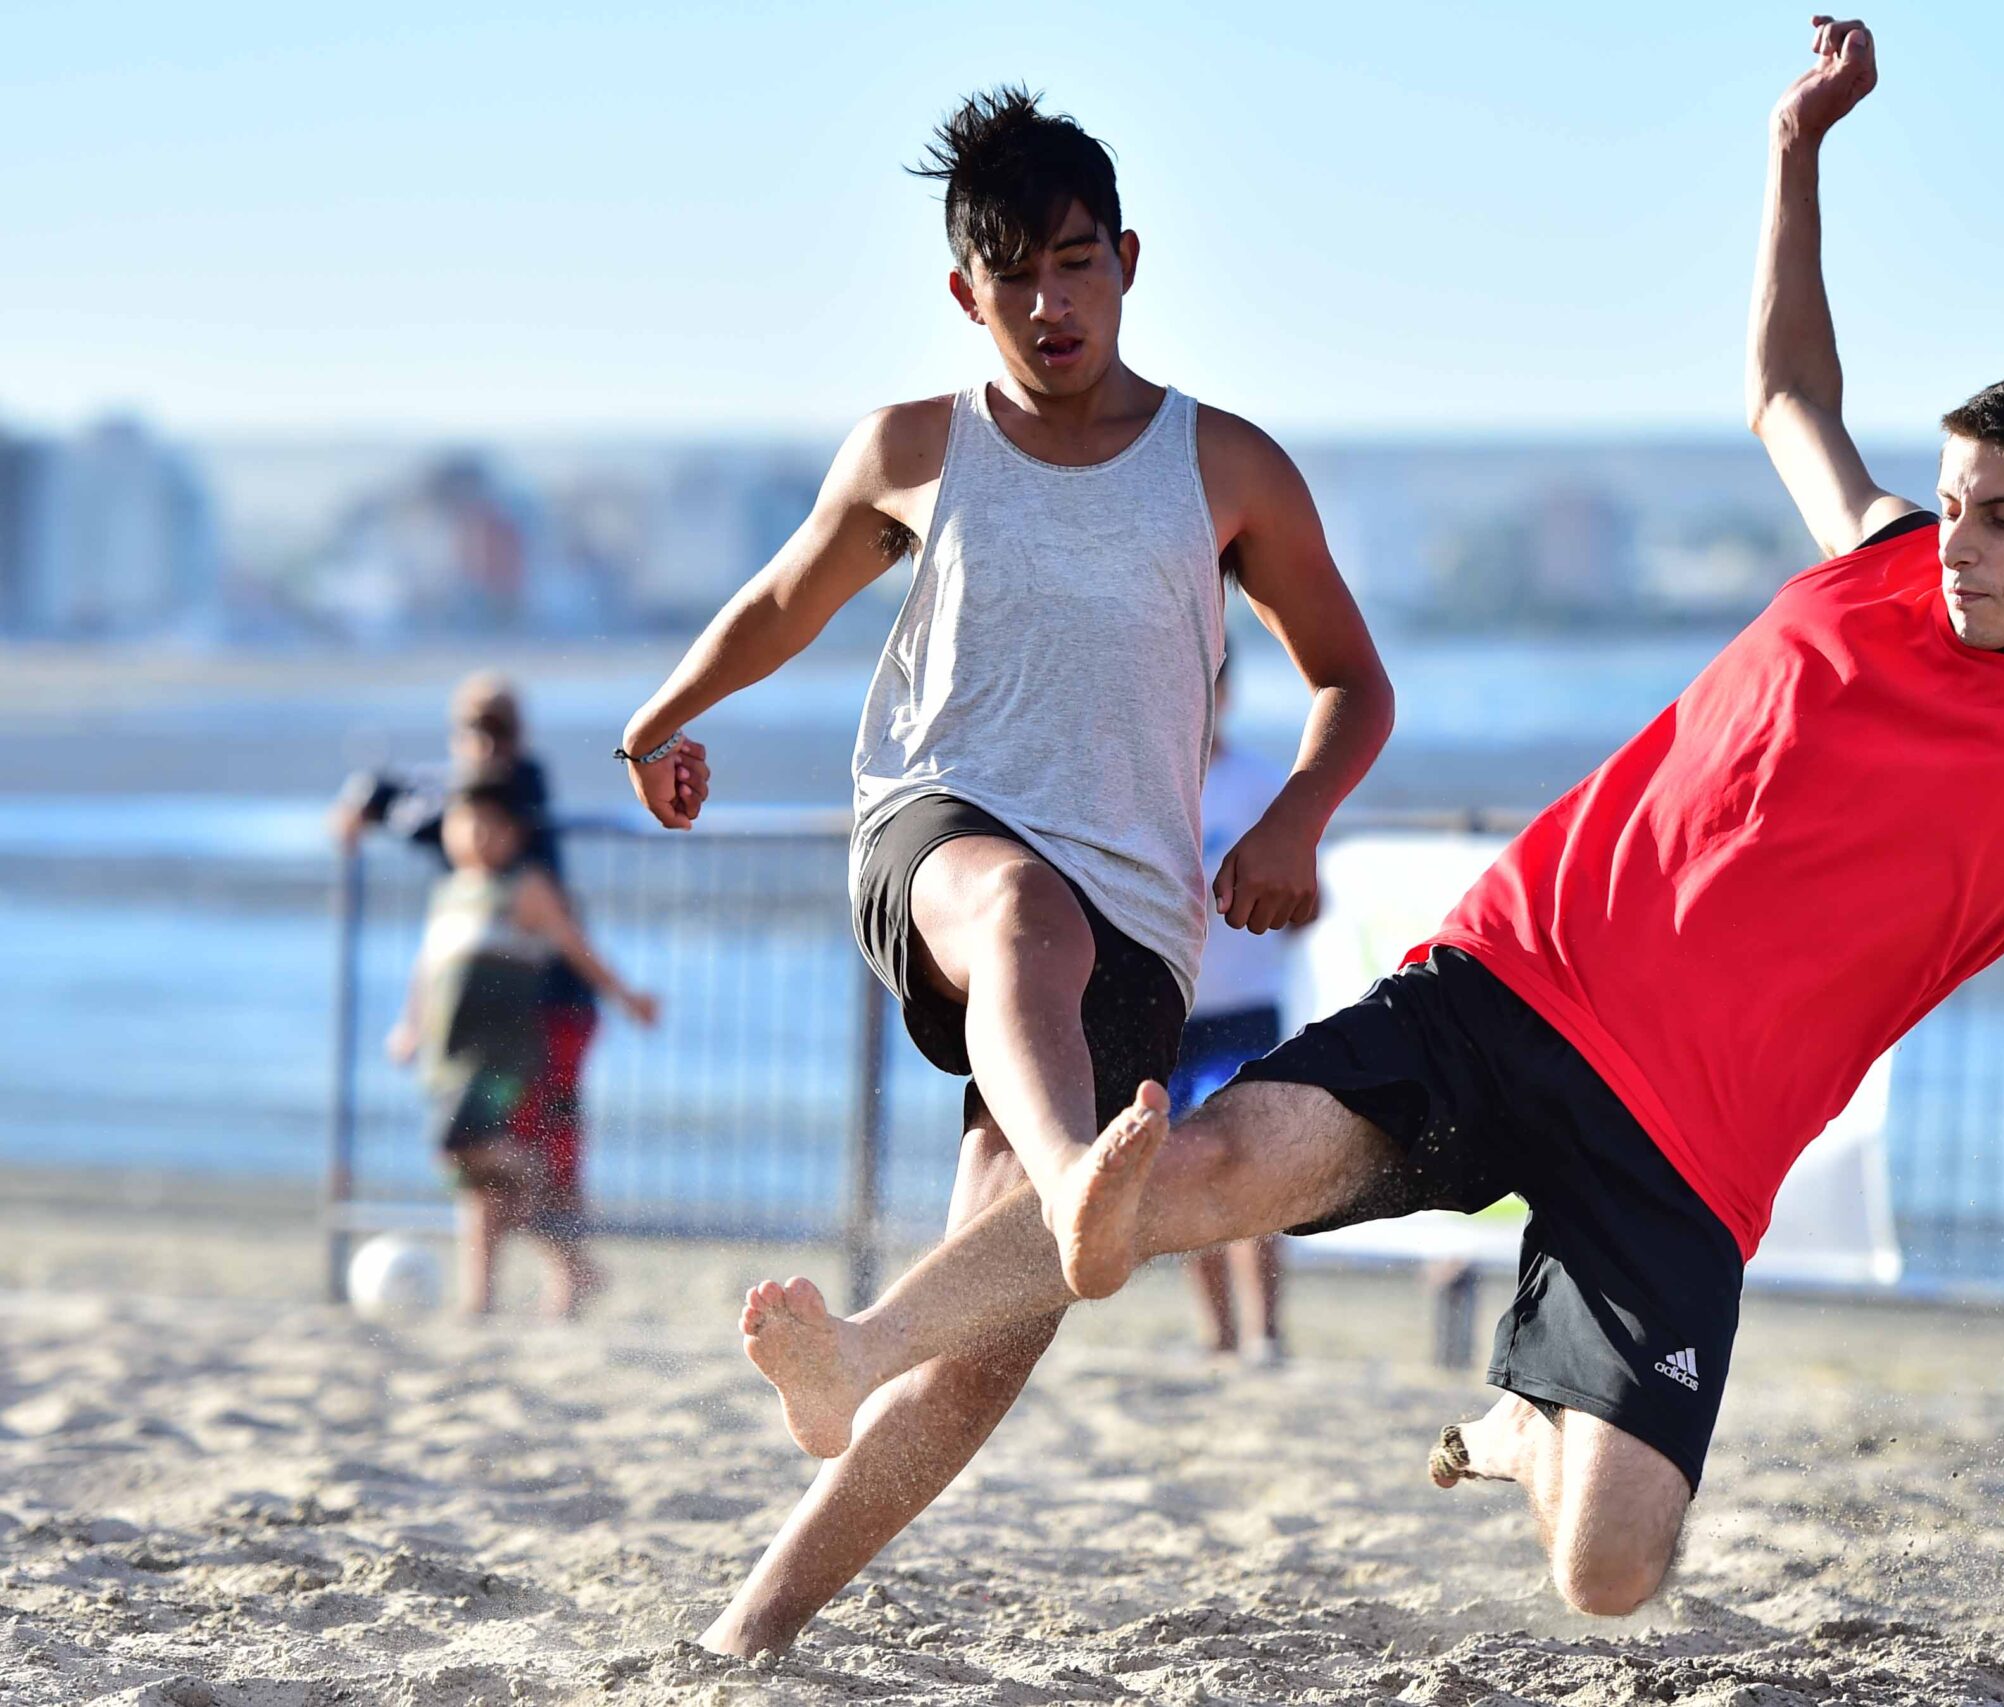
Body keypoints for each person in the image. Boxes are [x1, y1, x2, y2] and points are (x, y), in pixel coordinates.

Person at [727, 17, 2004, 1621]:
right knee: (1182, 1176)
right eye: (1951, 499)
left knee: (1611, 1568)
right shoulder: (1868, 564)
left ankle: (1528, 1416)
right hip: (1508, 992)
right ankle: (865, 1348)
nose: (1957, 541)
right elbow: (1785, 388)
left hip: (1686, 1154)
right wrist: (1794, 155)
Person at [611, 89, 1391, 1656]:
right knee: (1017, 909)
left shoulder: (1225, 465)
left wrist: (1296, 817)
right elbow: (783, 597)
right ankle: (1076, 1182)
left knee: (989, 1317)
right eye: (1016, 274)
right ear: (965, 291)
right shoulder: (919, 447)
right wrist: (667, 713)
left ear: (1129, 262)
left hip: (1142, 916)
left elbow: (1351, 683)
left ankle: (746, 1628)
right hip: (939, 836)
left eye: (1079, 263)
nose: (1052, 303)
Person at [333, 673, 604, 1251]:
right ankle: (488, 1292)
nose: (485, 742)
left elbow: (430, 810)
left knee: (543, 1146)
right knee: (480, 1149)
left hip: (548, 1002)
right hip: (485, 1012)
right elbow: (422, 801)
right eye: (473, 729)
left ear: (518, 734)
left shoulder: (519, 788)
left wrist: (376, 802)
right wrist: (368, 795)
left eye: (496, 729)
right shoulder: (465, 798)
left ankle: (569, 1274)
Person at [385, 776, 658, 1316]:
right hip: (450, 1055)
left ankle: (534, 1180)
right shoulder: (448, 893)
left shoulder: (525, 887)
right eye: (467, 824)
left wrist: (627, 996)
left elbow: (576, 947)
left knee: (460, 1145)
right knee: (474, 1175)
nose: (478, 836)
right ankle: (497, 1292)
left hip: (503, 1053)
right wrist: (409, 1026)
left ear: (514, 834)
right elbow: (427, 966)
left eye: (492, 825)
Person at [1175, 665, 1297, 1363]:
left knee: (1254, 1168)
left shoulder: (1259, 782)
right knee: (1185, 1168)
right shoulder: (1149, 778)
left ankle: (1266, 1332)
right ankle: (1216, 1333)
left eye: (1210, 686)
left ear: (1226, 695)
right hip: (1170, 1008)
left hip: (1246, 1006)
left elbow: (1308, 899)